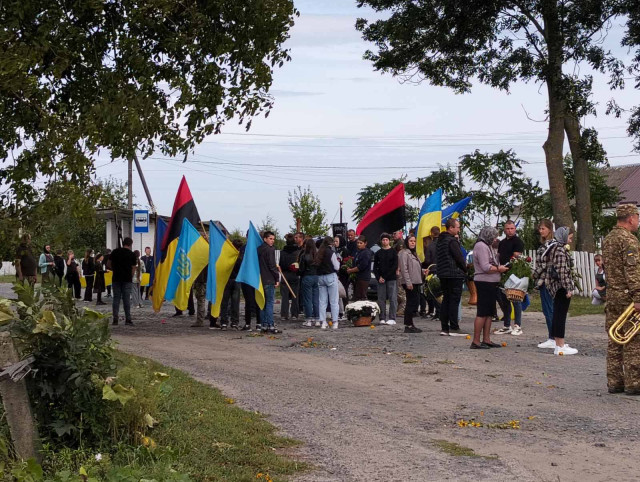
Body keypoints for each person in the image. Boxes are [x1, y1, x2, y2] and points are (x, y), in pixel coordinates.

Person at [602, 204, 640, 394]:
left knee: (614, 339)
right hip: (627, 296)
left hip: (612, 295)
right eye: (637, 217)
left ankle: (615, 381)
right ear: (631, 218)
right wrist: (638, 296)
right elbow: (632, 271)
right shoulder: (629, 240)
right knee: (633, 339)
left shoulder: (608, 238)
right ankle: (634, 383)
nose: (638, 221)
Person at [471, 227, 509, 349]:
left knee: (489, 313)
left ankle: (486, 339)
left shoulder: (488, 246)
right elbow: (485, 267)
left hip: (491, 282)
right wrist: (499, 269)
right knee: (482, 312)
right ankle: (476, 341)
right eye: (494, 236)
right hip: (484, 282)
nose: (495, 239)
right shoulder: (481, 246)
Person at [435, 219, 468, 336]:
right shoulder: (452, 241)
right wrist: (465, 269)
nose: (459, 229)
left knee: (446, 300)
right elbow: (459, 257)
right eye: (457, 227)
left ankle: (444, 327)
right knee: (454, 300)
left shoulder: (440, 241)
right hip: (454, 273)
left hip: (443, 273)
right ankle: (454, 326)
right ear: (451, 228)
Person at [494, 220, 525, 336]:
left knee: (516, 300)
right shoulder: (502, 243)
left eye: (512, 228)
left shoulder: (518, 242)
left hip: (514, 274)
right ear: (504, 230)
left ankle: (517, 325)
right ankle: (507, 325)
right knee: (504, 300)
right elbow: (499, 256)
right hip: (502, 273)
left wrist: (507, 266)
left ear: (515, 229)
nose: (510, 231)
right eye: (508, 229)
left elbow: (516, 258)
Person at [532, 219, 558, 349]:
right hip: (550, 281)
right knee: (550, 310)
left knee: (549, 310)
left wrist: (533, 274)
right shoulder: (551, 245)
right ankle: (554, 336)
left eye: (543, 228)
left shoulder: (548, 246)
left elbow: (544, 265)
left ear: (549, 229)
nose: (541, 231)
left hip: (546, 280)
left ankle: (553, 337)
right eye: (540, 229)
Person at [398, 235, 424, 333]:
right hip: (410, 282)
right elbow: (404, 268)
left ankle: (410, 323)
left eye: (414, 241)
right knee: (410, 302)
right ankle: (408, 325)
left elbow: (415, 267)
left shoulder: (413, 253)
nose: (413, 243)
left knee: (414, 302)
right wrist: (408, 282)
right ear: (407, 242)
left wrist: (423, 271)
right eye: (411, 241)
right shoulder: (404, 253)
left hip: (416, 280)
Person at [109, 237, 137, 326]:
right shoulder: (132, 254)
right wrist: (130, 276)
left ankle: (115, 319)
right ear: (130, 244)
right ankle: (128, 319)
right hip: (127, 279)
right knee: (126, 299)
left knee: (116, 299)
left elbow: (108, 264)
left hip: (116, 278)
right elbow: (133, 268)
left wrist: (115, 269)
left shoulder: (115, 252)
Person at [315, 236, 341, 330]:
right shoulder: (331, 253)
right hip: (330, 276)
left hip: (320, 277)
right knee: (334, 301)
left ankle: (323, 322)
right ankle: (335, 322)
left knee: (322, 301)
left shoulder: (318, 253)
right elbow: (337, 267)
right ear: (331, 244)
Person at [257, 230, 280, 334]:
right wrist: (277, 278)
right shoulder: (270, 250)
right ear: (265, 239)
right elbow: (272, 265)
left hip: (261, 279)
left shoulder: (258, 249)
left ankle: (264, 325)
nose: (272, 241)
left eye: (273, 239)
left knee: (263, 303)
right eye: (270, 239)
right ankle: (270, 325)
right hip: (269, 279)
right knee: (269, 303)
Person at [374, 233, 398, 325]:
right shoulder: (378, 253)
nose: (385, 241)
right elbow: (375, 267)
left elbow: (394, 266)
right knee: (381, 298)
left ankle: (392, 317)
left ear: (389, 241)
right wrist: (378, 277)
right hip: (380, 279)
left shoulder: (393, 252)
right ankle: (382, 317)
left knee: (392, 298)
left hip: (391, 278)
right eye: (383, 240)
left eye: (386, 240)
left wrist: (385, 276)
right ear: (381, 241)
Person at [219, 239, 243, 329]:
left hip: (226, 280)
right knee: (235, 303)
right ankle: (234, 322)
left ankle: (224, 322)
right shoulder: (240, 258)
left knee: (224, 302)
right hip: (236, 281)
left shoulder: (226, 256)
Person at [279, 234, 301, 321]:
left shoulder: (282, 253)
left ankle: (284, 314)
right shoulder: (298, 253)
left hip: (284, 275)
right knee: (295, 295)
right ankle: (294, 314)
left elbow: (280, 264)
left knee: (284, 296)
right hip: (294, 275)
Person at [300, 238, 320, 327]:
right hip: (316, 277)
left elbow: (301, 269)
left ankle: (309, 319)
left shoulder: (304, 255)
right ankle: (317, 319)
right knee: (316, 299)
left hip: (307, 276)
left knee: (308, 299)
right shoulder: (317, 255)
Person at [347, 235, 373, 301]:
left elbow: (362, 266)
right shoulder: (358, 252)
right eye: (358, 243)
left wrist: (351, 270)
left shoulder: (366, 253)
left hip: (363, 277)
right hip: (358, 277)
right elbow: (355, 262)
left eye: (361, 243)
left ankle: (365, 307)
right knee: (357, 296)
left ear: (365, 243)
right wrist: (350, 267)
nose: (359, 244)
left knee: (362, 296)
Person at [394, 239, 406, 316]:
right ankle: (400, 309)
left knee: (401, 293)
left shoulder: (402, 253)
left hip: (402, 273)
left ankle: (402, 309)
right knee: (399, 292)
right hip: (399, 273)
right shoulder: (398, 253)